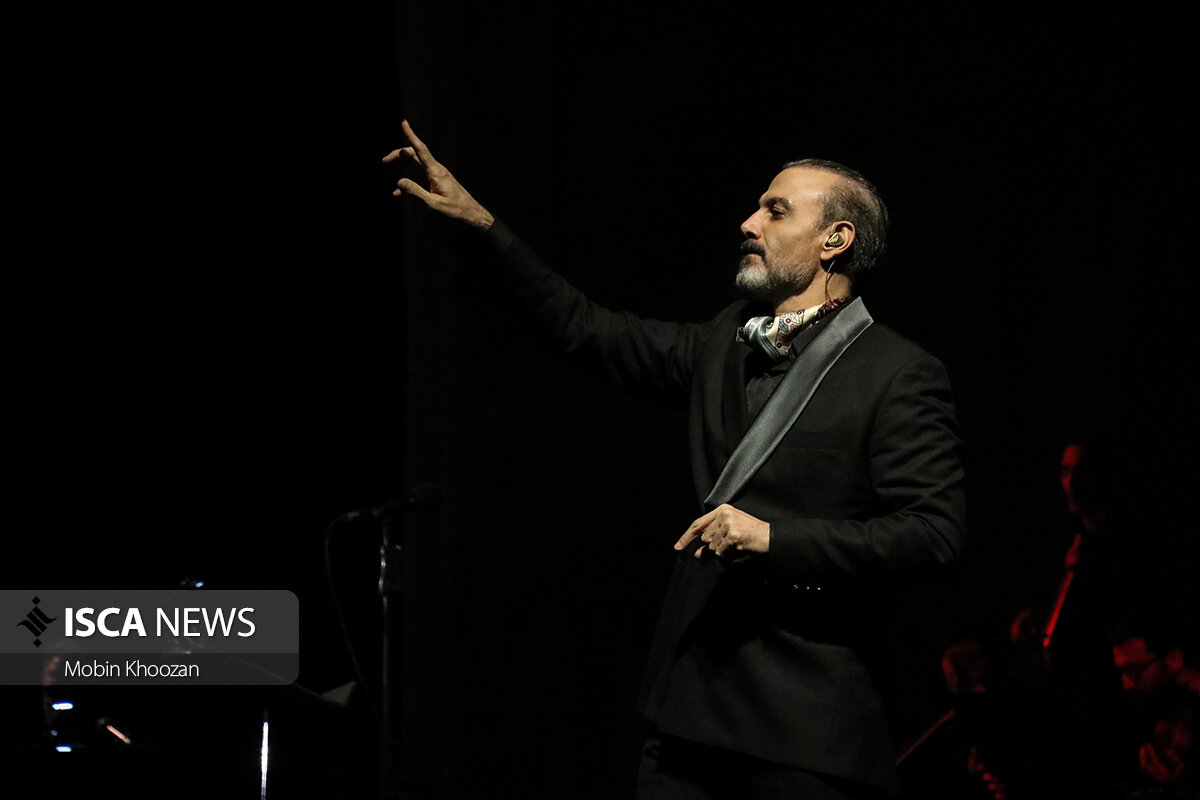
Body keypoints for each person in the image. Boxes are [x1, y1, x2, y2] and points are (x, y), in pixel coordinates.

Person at [384, 121, 967, 799]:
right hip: (690, 714)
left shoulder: (896, 372)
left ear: (835, 240)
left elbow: (933, 534)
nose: (749, 223)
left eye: (776, 211)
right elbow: (585, 328)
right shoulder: (725, 340)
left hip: (808, 730)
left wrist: (773, 538)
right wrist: (483, 228)